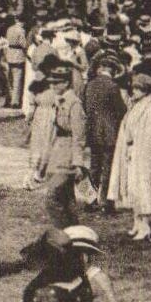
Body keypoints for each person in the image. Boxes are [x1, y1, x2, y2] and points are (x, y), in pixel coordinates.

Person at [109, 69, 151, 242]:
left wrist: (137, 146)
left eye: (138, 89)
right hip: (132, 152)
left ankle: (144, 225)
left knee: (142, 188)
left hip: (143, 154)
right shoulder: (135, 105)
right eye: (134, 88)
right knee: (133, 188)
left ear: (146, 91)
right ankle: (137, 223)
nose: (134, 92)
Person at [35, 61, 91, 228]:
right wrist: (43, 163)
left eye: (56, 82)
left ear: (66, 83)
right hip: (56, 154)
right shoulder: (58, 101)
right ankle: (73, 235)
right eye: (51, 82)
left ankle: (65, 233)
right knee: (67, 200)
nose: (52, 85)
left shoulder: (74, 104)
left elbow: (79, 137)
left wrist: (78, 163)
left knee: (53, 199)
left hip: (67, 158)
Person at [83, 53, 126, 209]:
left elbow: (84, 106)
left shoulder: (90, 84)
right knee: (108, 166)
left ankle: (90, 199)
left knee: (94, 165)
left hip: (93, 130)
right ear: (113, 70)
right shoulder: (113, 87)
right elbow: (121, 109)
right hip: (109, 132)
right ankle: (107, 201)